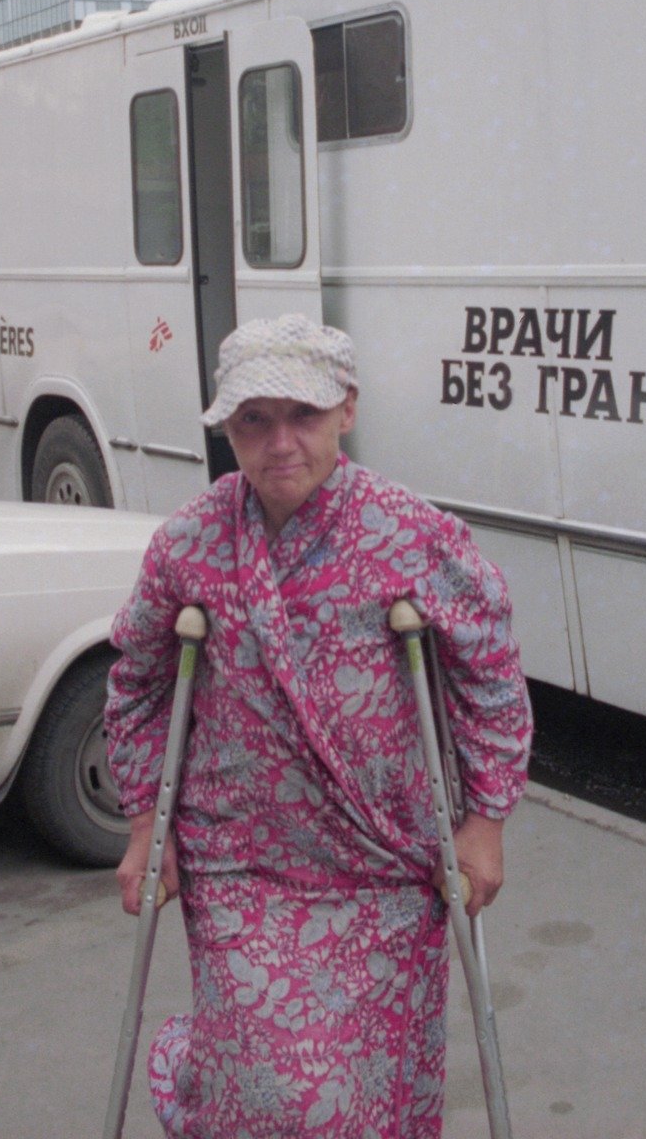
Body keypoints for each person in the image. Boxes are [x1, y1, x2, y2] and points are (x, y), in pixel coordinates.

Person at [105, 313, 532, 1138]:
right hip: (242, 862)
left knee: (370, 1096)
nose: (279, 443)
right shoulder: (189, 543)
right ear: (227, 426)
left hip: (383, 863)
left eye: (302, 415)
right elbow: (139, 682)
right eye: (252, 421)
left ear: (347, 409)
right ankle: (203, 1076)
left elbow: (489, 672)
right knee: (281, 1094)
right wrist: (140, 827)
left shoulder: (413, 534)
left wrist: (485, 822)